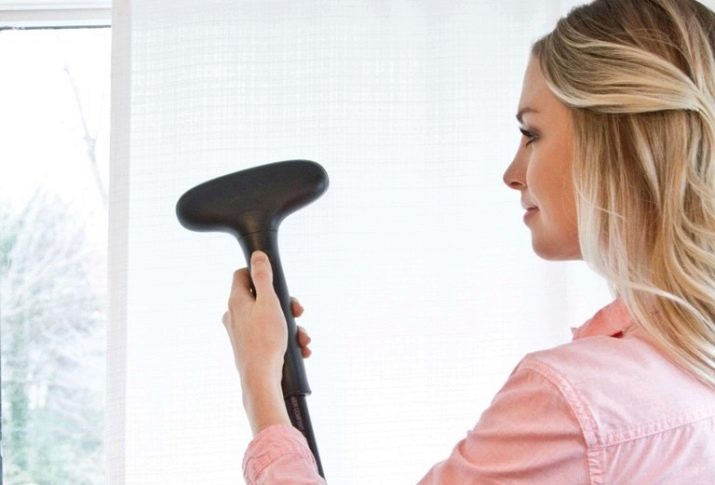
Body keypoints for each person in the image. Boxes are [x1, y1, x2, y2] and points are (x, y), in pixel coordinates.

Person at [222, 0, 715, 482]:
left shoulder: (576, 403)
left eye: (532, 134)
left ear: (617, 141)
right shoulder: (691, 368)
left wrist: (260, 384)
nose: (512, 173)